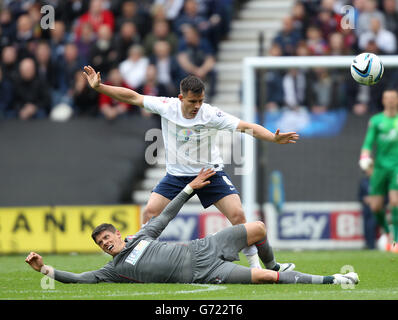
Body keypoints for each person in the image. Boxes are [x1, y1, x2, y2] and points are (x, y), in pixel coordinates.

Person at [82, 64, 299, 270]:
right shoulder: (167, 107)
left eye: (200, 101)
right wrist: (100, 87)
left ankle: (260, 268)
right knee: (150, 212)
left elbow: (245, 126)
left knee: (238, 216)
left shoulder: (210, 114)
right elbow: (133, 97)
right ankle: (137, 263)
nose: (197, 106)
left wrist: (272, 137)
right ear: (181, 98)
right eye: (193, 101)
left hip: (209, 173)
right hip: (176, 176)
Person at [25, 168, 359, 286]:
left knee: (256, 227)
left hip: (206, 247)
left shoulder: (141, 236)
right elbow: (78, 279)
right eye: (100, 243)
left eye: (106, 237)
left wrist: (191, 187)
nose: (105, 244)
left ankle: (275, 261)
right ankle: (335, 279)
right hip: (202, 273)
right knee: (263, 280)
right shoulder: (113, 270)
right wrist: (45, 270)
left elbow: (166, 215)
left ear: (116, 233)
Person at [359, 88, 398, 252]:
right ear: (383, 100)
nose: (390, 100)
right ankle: (387, 231)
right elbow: (368, 143)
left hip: (396, 166)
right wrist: (364, 157)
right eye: (386, 97)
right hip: (380, 167)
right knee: (375, 207)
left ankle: (395, 239)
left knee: (395, 201)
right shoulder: (376, 121)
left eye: (393, 98)